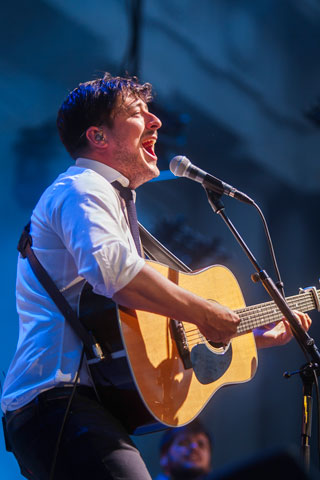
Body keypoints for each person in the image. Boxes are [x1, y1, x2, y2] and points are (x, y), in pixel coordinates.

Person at [1, 73, 311, 480]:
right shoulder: (83, 187)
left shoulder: (113, 200)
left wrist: (249, 335)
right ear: (98, 136)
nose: (156, 122)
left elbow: (150, 330)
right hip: (55, 400)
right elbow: (118, 277)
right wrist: (205, 311)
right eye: (136, 113)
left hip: (84, 402)